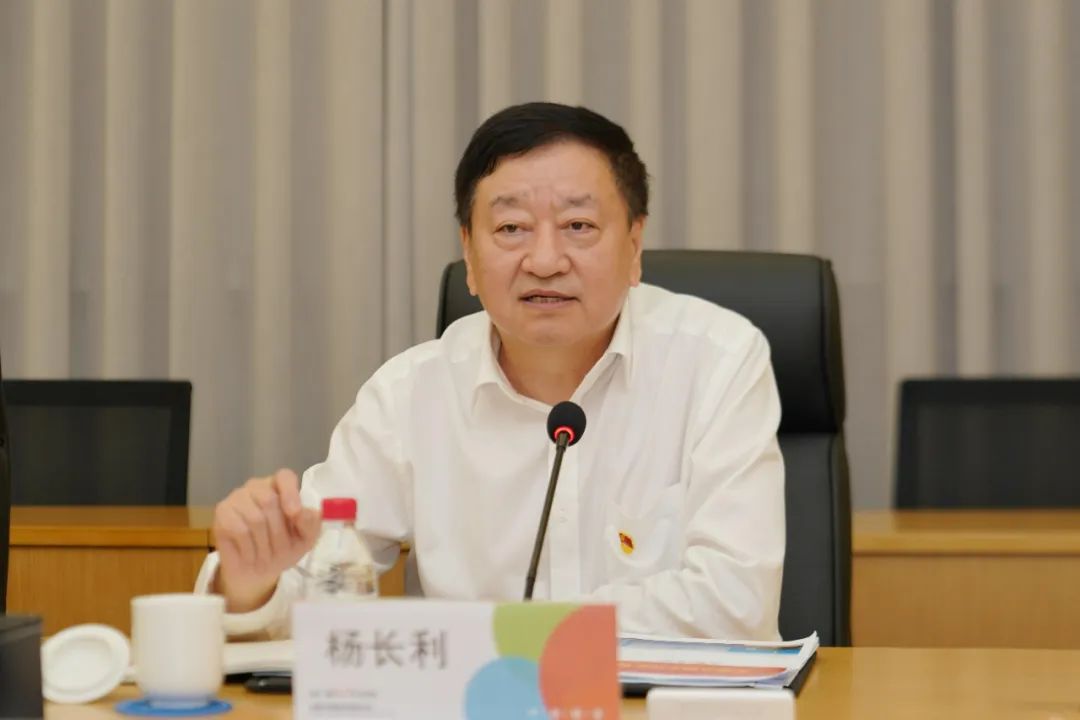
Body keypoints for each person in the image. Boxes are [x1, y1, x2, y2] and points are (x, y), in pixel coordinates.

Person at [195, 102, 785, 640]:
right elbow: (312, 584)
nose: (545, 260)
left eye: (578, 226)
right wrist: (252, 584)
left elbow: (737, 603)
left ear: (634, 246)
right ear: (469, 256)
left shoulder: (717, 362)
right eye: (510, 229)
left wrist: (507, 635)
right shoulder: (409, 396)